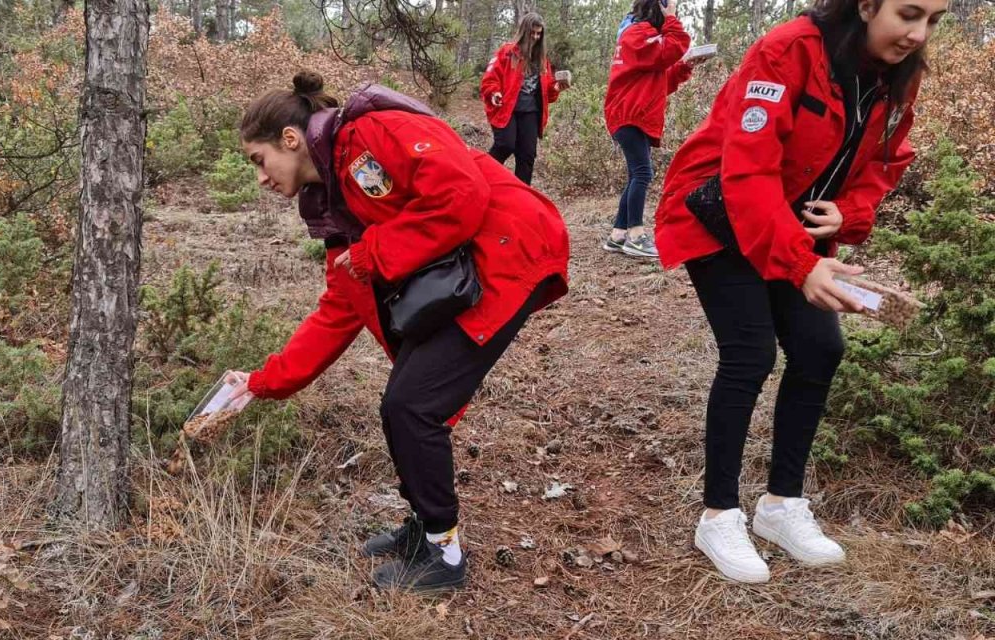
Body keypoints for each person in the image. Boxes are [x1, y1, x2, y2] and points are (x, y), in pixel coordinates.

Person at [228, 71, 570, 592]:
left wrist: (375, 253)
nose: (261, 177)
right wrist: (262, 382)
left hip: (509, 249)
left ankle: (444, 555)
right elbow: (339, 306)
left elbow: (461, 195)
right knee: (403, 405)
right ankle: (425, 530)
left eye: (259, 160)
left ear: (290, 140)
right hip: (471, 269)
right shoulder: (331, 198)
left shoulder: (370, 135)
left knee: (412, 406)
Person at [653, 0, 947, 583]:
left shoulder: (897, 77)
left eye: (933, 20)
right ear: (866, 6)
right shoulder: (788, 51)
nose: (918, 34)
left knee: (819, 350)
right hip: (719, 211)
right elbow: (747, 171)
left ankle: (781, 506)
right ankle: (719, 515)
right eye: (908, 14)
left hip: (789, 224)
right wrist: (799, 265)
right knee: (750, 354)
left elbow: (888, 161)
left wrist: (850, 211)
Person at [603, 0, 701, 259]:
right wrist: (672, 19)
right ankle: (636, 235)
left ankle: (618, 235)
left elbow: (661, 80)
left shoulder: (645, 38)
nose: (673, 12)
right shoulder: (636, 34)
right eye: (670, 8)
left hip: (635, 114)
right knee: (643, 173)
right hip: (629, 115)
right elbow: (675, 44)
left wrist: (685, 66)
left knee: (637, 174)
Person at [480, 13, 570, 185]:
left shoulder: (542, 60)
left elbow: (548, 92)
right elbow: (489, 79)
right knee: (505, 145)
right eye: (532, 33)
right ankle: (481, 176)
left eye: (539, 34)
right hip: (507, 109)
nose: (536, 37)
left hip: (531, 112)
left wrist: (557, 88)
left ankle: (521, 196)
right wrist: (494, 93)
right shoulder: (507, 52)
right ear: (524, 32)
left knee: (527, 155)